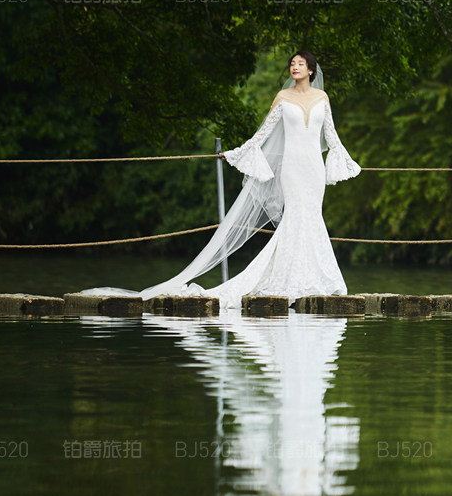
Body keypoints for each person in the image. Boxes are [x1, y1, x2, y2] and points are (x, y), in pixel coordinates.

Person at [85, 50, 361, 309]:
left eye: (300, 63)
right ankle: (290, 278)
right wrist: (239, 152)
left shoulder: (322, 98)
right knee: (295, 217)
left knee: (312, 216)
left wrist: (345, 161)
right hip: (291, 167)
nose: (294, 67)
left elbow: (331, 135)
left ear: (311, 70)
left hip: (312, 167)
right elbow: (263, 133)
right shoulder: (282, 96)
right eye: (292, 63)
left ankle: (316, 277)